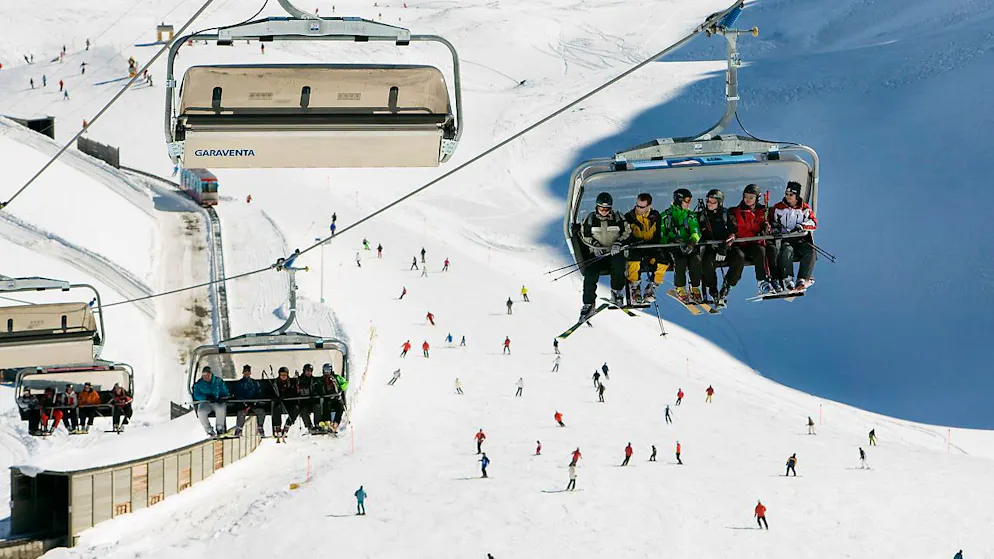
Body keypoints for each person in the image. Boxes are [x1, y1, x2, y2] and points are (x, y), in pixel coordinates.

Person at [578, 192, 632, 318]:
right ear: (596, 207)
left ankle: (616, 292)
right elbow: (584, 236)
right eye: (601, 208)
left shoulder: (618, 218)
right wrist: (595, 246)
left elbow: (627, 232)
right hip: (598, 254)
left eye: (606, 209)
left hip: (614, 252)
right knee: (590, 273)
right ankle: (588, 303)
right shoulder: (590, 219)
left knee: (619, 266)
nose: (603, 211)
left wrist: (618, 243)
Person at [767, 181, 818, 292]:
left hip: (800, 239)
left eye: (791, 195)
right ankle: (787, 278)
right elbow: (769, 222)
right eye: (786, 194)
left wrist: (802, 226)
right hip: (785, 239)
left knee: (811, 251)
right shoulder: (778, 208)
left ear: (797, 196)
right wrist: (775, 230)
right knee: (787, 250)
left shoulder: (804, 208)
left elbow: (813, 223)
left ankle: (802, 278)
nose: (788, 197)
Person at [697, 188, 740, 306]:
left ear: (719, 203)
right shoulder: (701, 215)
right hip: (709, 247)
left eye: (712, 202)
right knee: (707, 262)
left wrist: (724, 247)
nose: (709, 204)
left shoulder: (726, 214)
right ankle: (712, 288)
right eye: (708, 202)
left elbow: (734, 232)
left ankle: (728, 285)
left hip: (726, 247)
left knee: (739, 257)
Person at [729, 184, 774, 295]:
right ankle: (728, 284)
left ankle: (762, 281)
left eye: (751, 197)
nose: (747, 200)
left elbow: (768, 227)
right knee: (739, 258)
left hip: (753, 243)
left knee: (761, 250)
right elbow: (733, 227)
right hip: (738, 244)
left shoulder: (762, 211)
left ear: (756, 198)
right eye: (746, 197)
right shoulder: (735, 212)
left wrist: (766, 228)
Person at [624, 193, 668, 303]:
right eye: (637, 205)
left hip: (651, 246)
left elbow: (658, 233)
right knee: (634, 259)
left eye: (642, 207)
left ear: (649, 206)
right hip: (637, 247)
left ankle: (652, 286)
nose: (638, 209)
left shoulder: (655, 216)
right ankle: (635, 287)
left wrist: (655, 244)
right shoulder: (630, 217)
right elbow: (626, 234)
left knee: (663, 261)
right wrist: (634, 242)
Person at [662, 188, 703, 302]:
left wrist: (692, 242)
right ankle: (680, 288)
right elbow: (660, 235)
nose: (689, 203)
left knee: (696, 260)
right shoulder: (666, 216)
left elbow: (696, 230)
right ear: (679, 200)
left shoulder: (690, 215)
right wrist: (670, 240)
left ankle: (695, 287)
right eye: (687, 200)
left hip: (687, 245)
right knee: (680, 261)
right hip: (673, 247)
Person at [193, 366, 228, 436]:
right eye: (204, 375)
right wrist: (205, 397)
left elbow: (225, 391)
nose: (206, 377)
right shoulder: (199, 384)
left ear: (211, 374)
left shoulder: (218, 381)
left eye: (207, 375)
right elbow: (196, 395)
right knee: (201, 412)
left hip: (217, 402)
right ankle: (209, 430)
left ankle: (220, 428)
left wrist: (221, 398)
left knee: (220, 409)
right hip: (206, 402)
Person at [232, 365, 267, 437]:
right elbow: (237, 394)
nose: (246, 373)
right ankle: (239, 429)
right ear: (243, 373)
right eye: (245, 372)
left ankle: (260, 427)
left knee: (261, 412)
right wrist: (245, 404)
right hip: (243, 404)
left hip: (253, 403)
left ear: (250, 373)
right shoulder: (239, 383)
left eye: (248, 372)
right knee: (241, 413)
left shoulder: (254, 383)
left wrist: (253, 403)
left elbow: (258, 393)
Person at [271, 367, 299, 438]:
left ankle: (287, 425)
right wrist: (277, 397)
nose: (283, 376)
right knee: (277, 408)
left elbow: (294, 392)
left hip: (289, 402)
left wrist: (286, 395)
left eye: (285, 374)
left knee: (296, 408)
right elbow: (271, 393)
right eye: (282, 374)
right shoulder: (276, 383)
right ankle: (277, 427)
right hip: (279, 402)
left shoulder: (291, 382)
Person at [319, 363, 344, 432]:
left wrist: (341, 388)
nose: (327, 372)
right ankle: (328, 422)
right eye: (325, 370)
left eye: (328, 370)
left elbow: (345, 383)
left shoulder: (336, 377)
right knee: (327, 405)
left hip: (336, 398)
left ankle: (336, 423)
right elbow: (318, 387)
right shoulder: (321, 379)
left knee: (340, 405)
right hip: (327, 398)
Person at [295, 364, 319, 432]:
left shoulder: (313, 380)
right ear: (304, 371)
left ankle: (317, 424)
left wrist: (314, 394)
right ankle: (309, 426)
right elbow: (296, 390)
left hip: (312, 401)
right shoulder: (299, 380)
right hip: (303, 401)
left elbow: (317, 389)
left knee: (317, 407)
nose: (309, 372)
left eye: (310, 371)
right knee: (303, 410)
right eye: (307, 371)